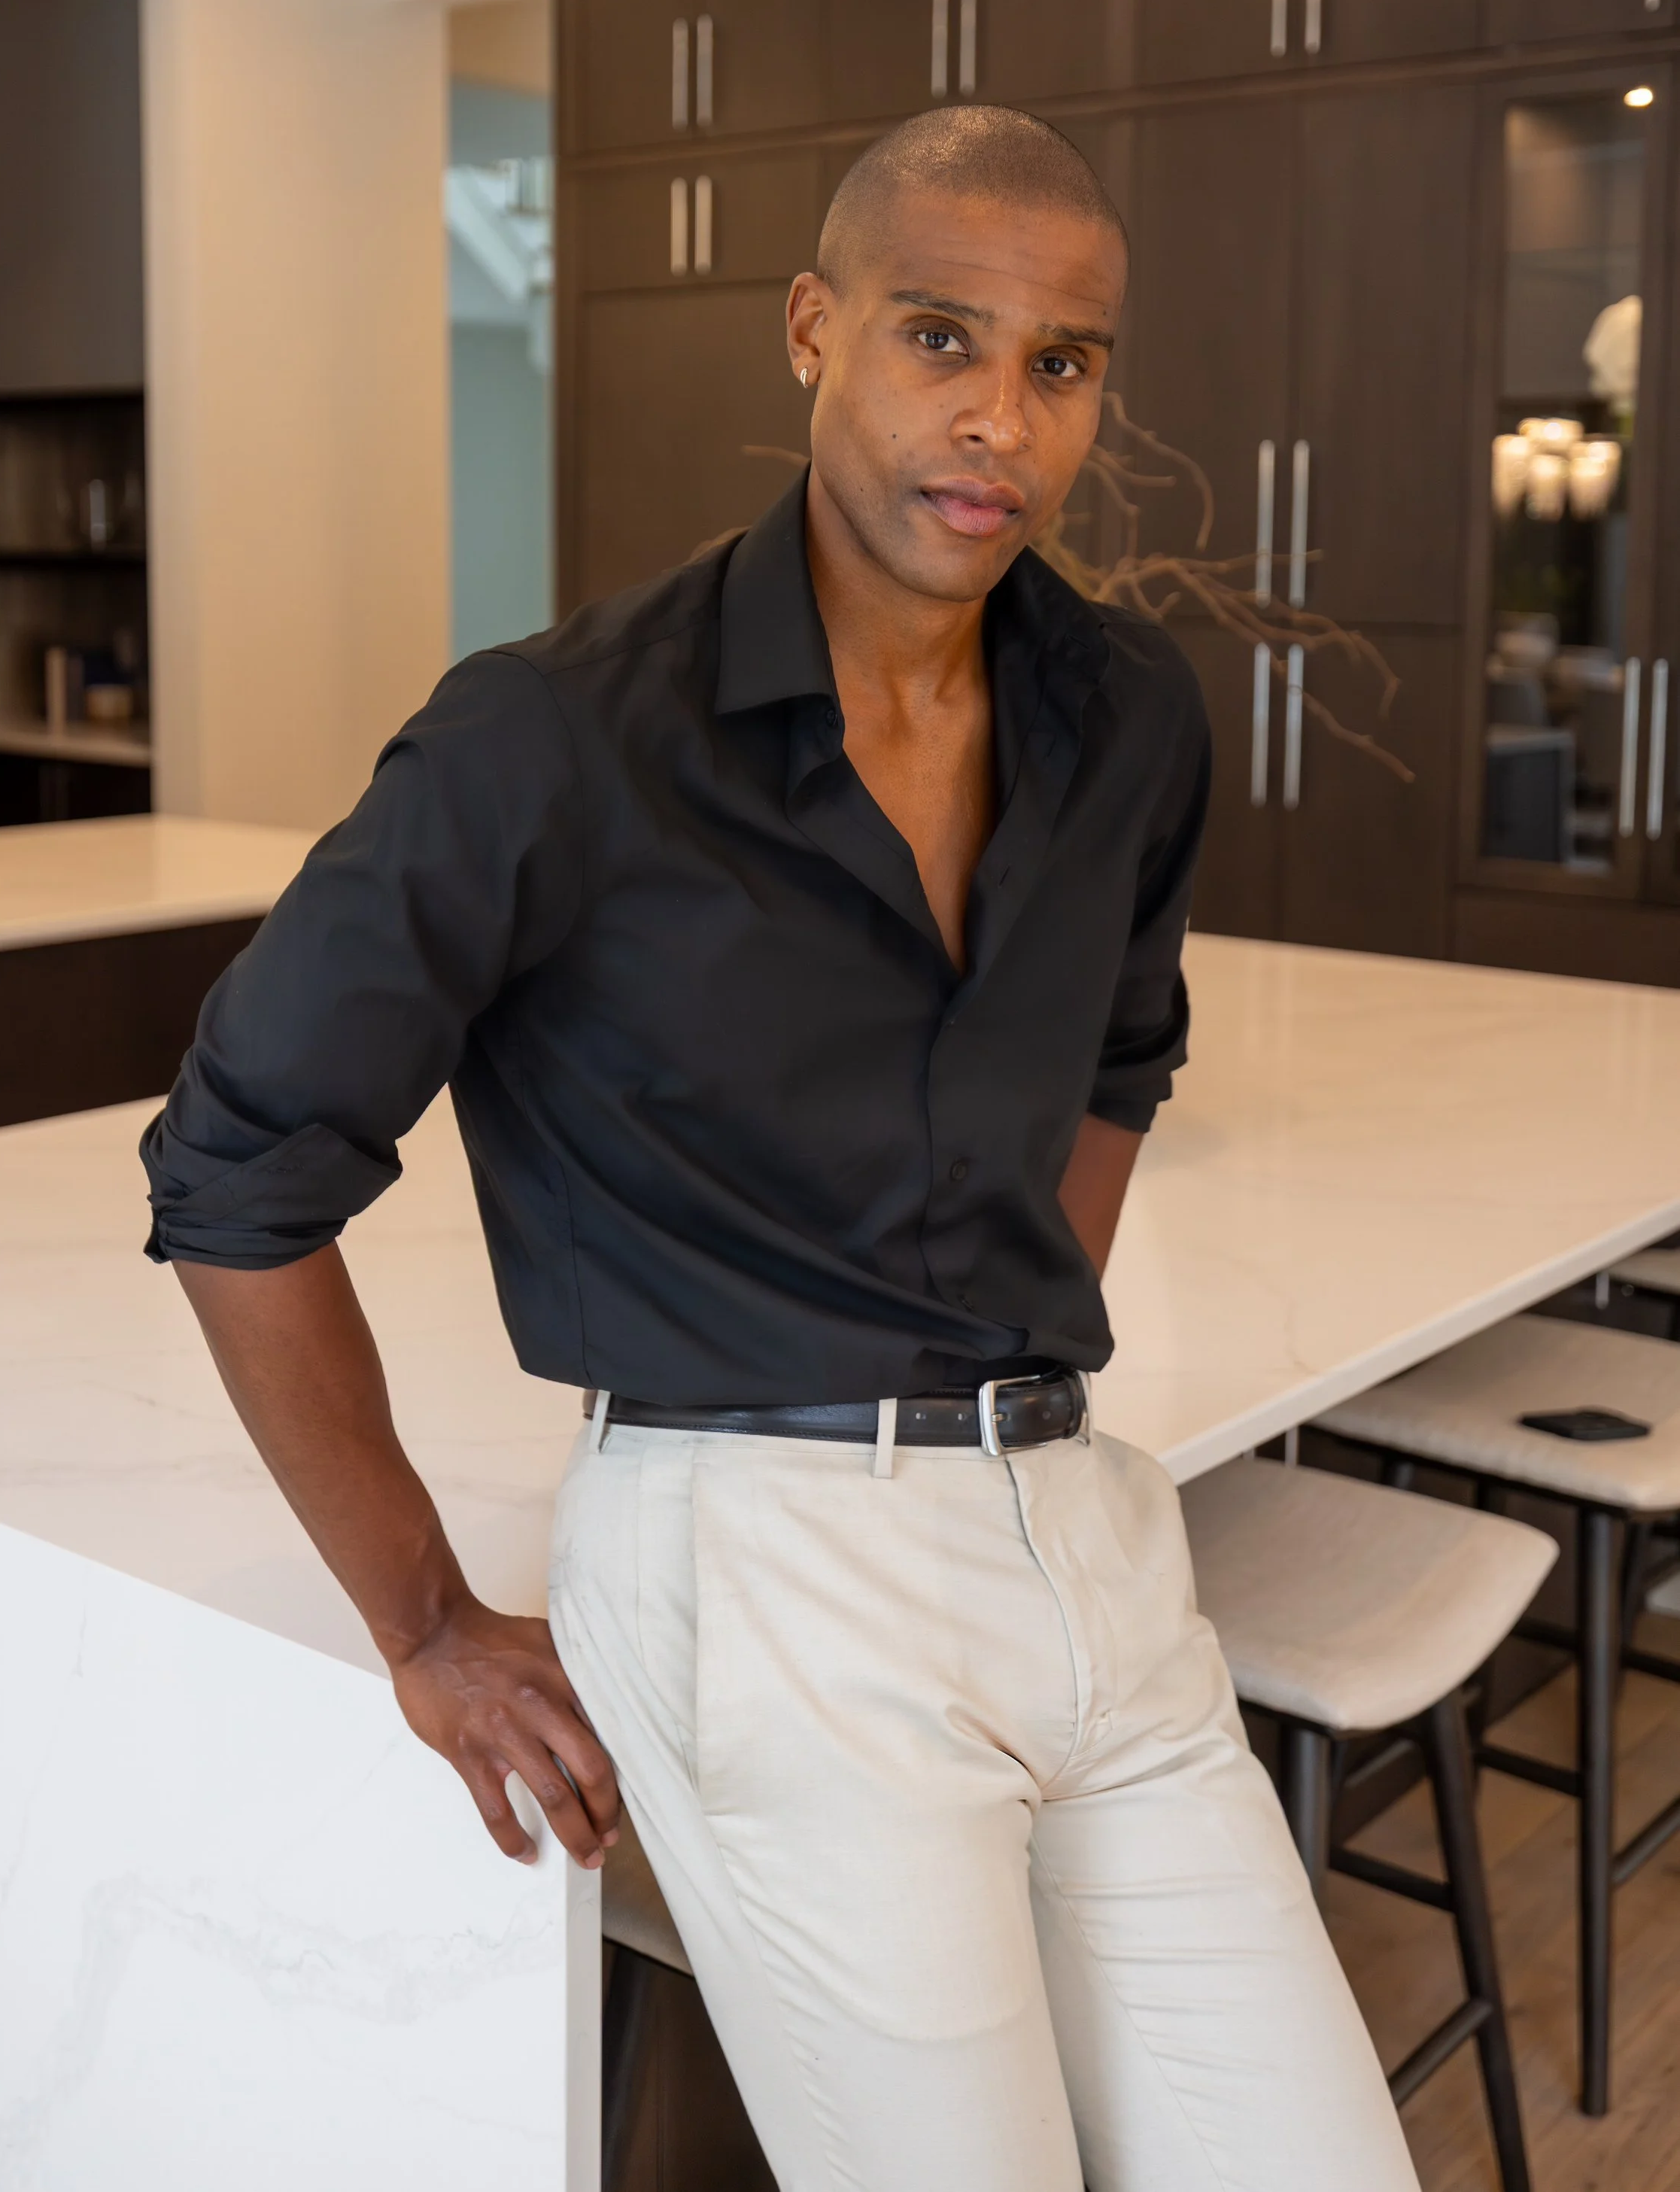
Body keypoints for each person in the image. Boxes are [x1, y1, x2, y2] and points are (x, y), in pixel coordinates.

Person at [142, 105, 1419, 2192]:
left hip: (1084, 1530)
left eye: (1060, 361)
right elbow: (233, 1165)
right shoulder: (548, 735)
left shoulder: (1126, 715)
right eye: (939, 335)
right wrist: (424, 1621)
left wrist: (992, 1314)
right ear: (815, 331)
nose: (996, 413)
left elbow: (1123, 1049)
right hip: (760, 1559)